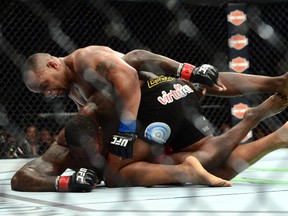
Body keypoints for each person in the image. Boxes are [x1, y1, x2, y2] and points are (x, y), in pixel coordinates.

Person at [11, 46, 288, 192]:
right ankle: (275, 112)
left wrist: (127, 129)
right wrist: (186, 73)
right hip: (172, 96)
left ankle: (254, 115)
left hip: (154, 104)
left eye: (44, 85)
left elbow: (134, 66)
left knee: (115, 174)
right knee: (217, 168)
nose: (48, 93)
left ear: (52, 64)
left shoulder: (85, 59)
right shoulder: (73, 87)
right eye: (42, 92)